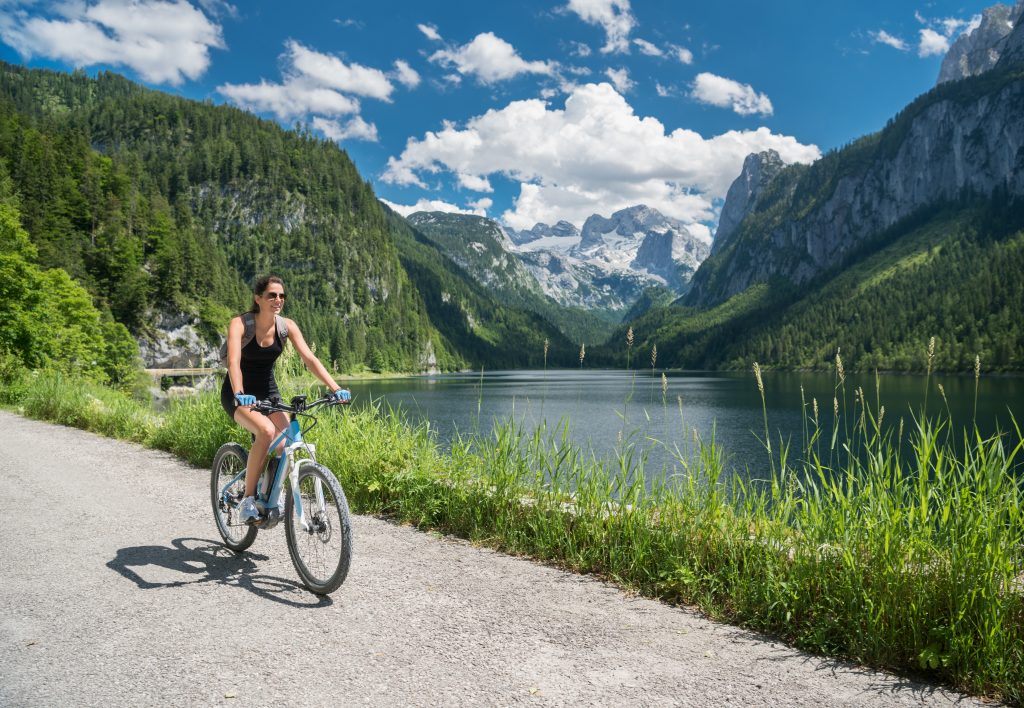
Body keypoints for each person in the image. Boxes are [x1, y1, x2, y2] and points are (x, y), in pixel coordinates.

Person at [220, 275, 350, 523]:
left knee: (288, 442)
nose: (278, 299)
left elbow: (309, 359)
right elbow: (234, 362)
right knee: (267, 432)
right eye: (272, 295)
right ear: (258, 299)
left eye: (281, 295)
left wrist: (335, 387)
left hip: (268, 393)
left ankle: (270, 494)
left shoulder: (286, 326)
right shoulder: (240, 324)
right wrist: (239, 394)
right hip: (238, 393)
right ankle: (248, 500)